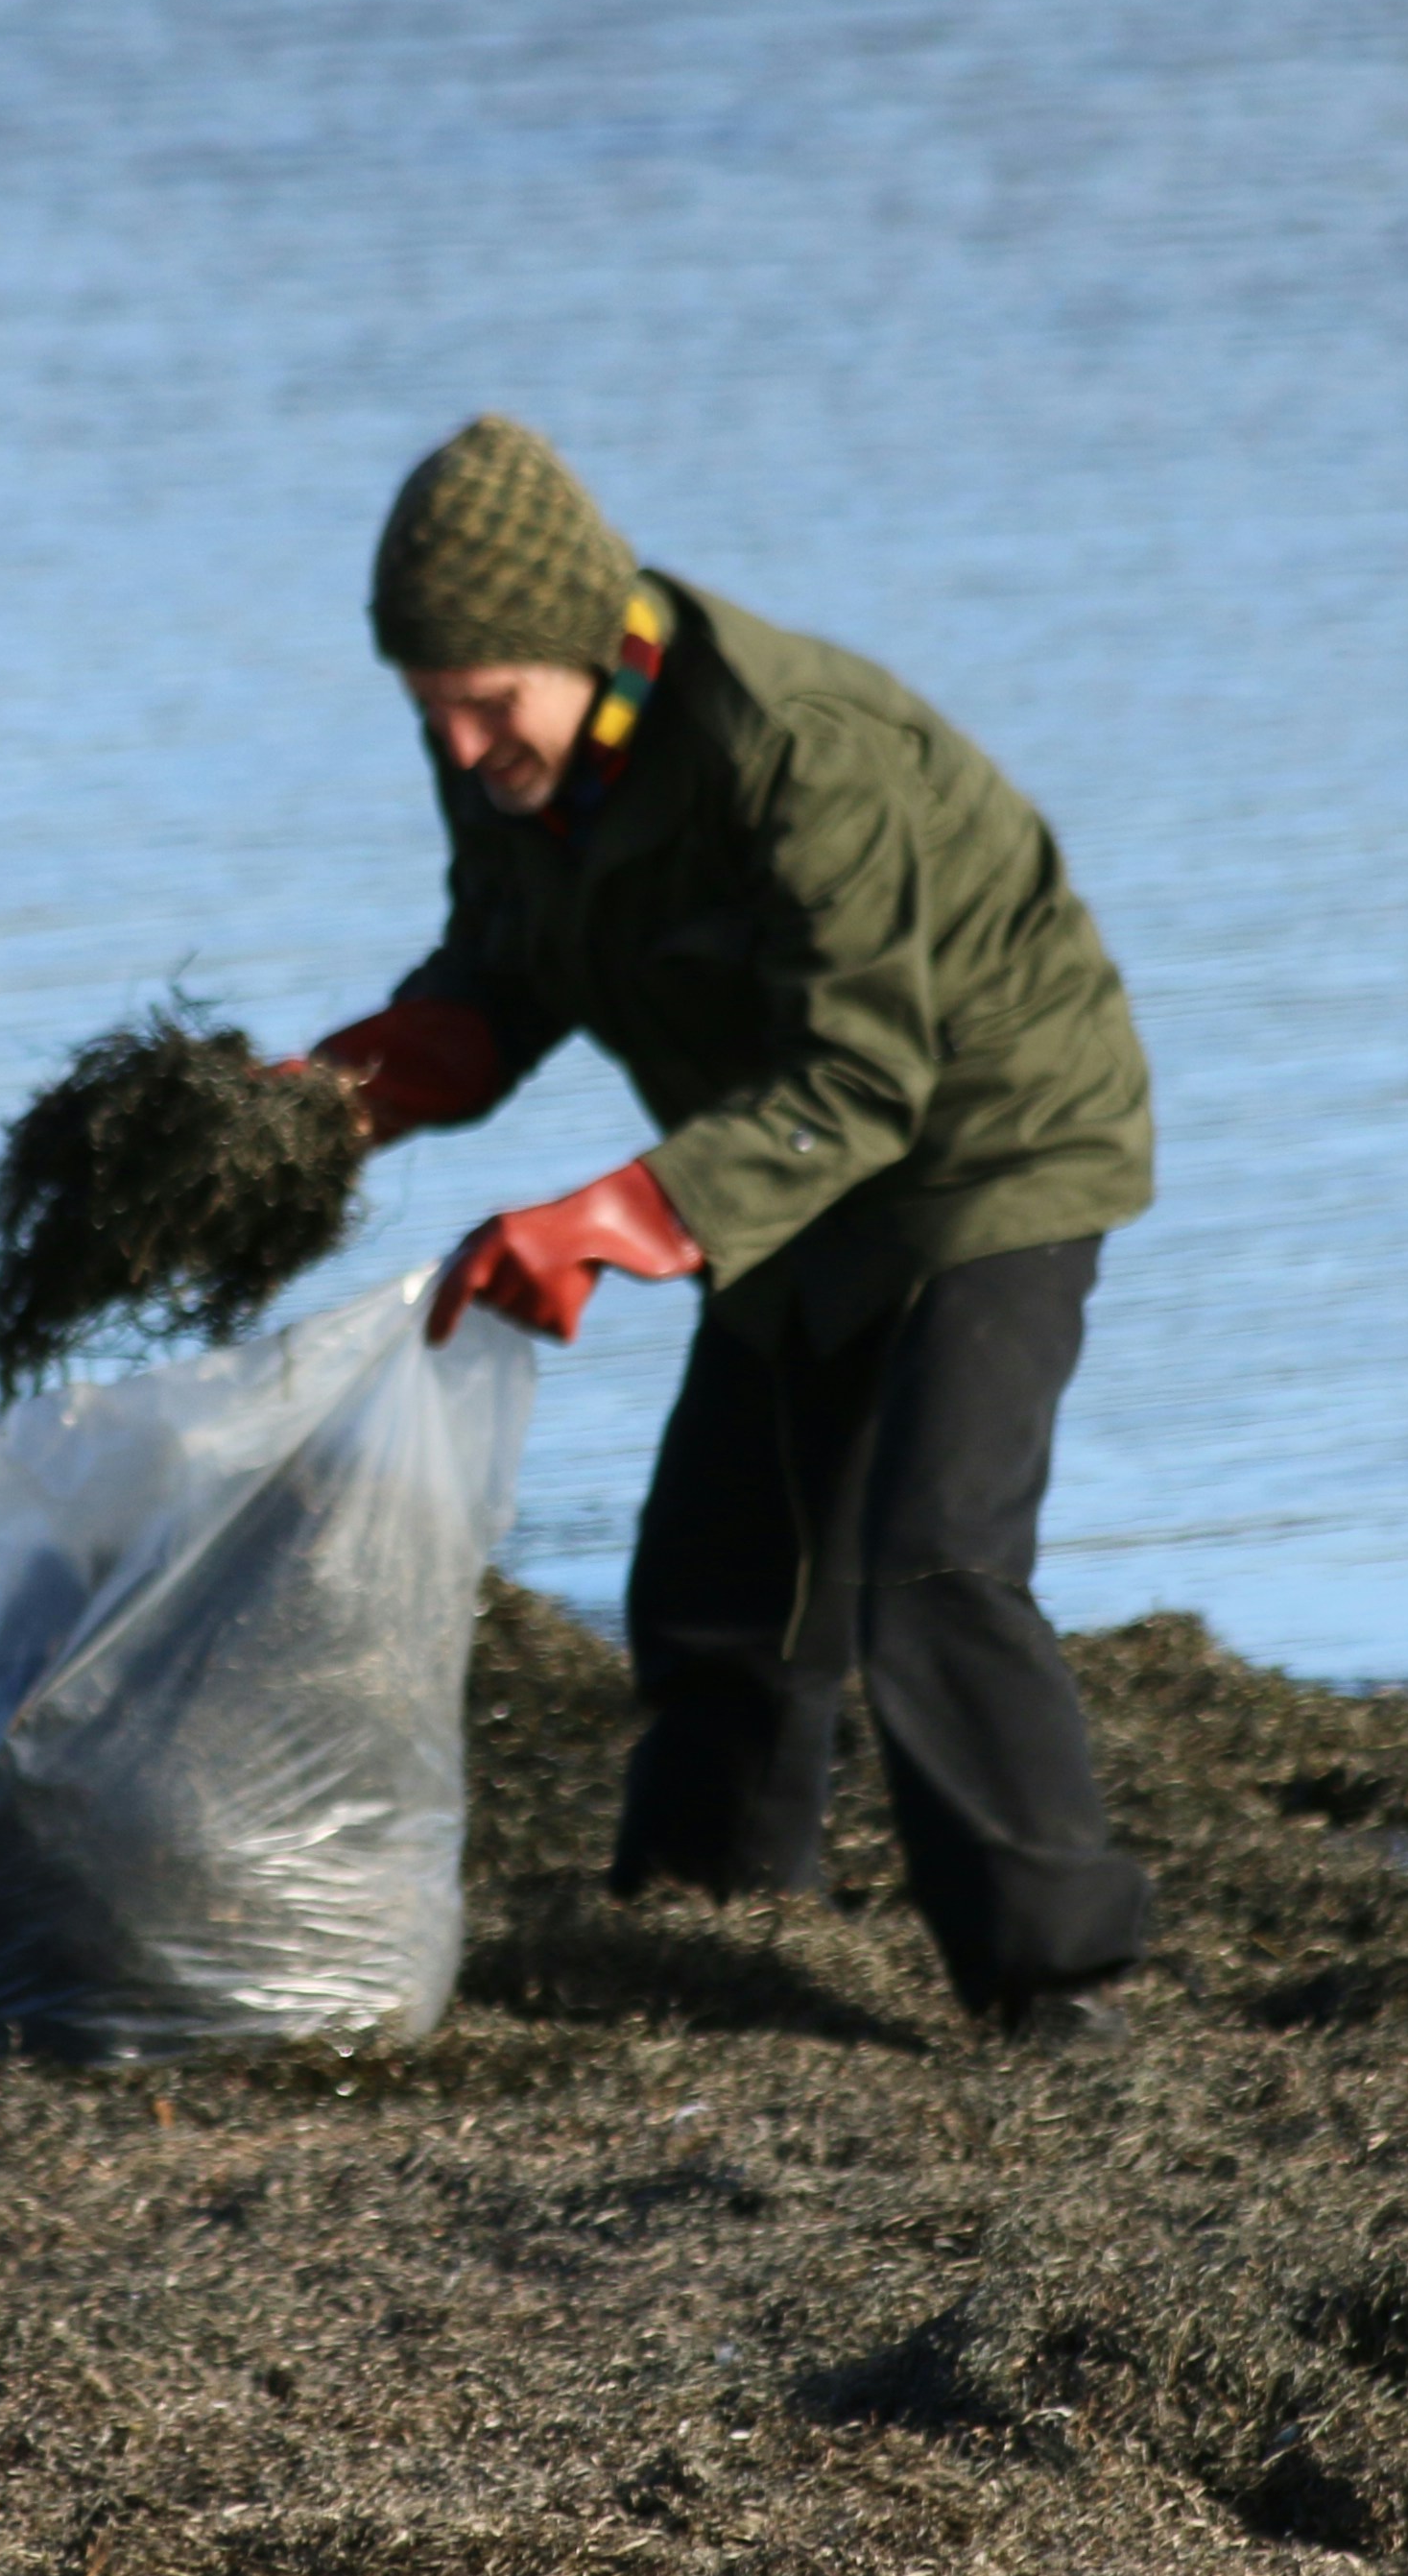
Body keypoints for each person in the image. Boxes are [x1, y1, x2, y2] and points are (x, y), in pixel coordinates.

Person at [300, 415, 1161, 2038]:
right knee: (719, 1573)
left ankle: (1056, 1985)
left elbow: (868, 1068)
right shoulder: (512, 745)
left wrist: (622, 1215)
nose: (465, 739)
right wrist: (342, 1091)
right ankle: (709, 1910)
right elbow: (507, 965)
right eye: (432, 705)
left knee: (930, 1557)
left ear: (584, 640)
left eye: (489, 700)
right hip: (787, 1148)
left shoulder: (793, 746)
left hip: (992, 1138)